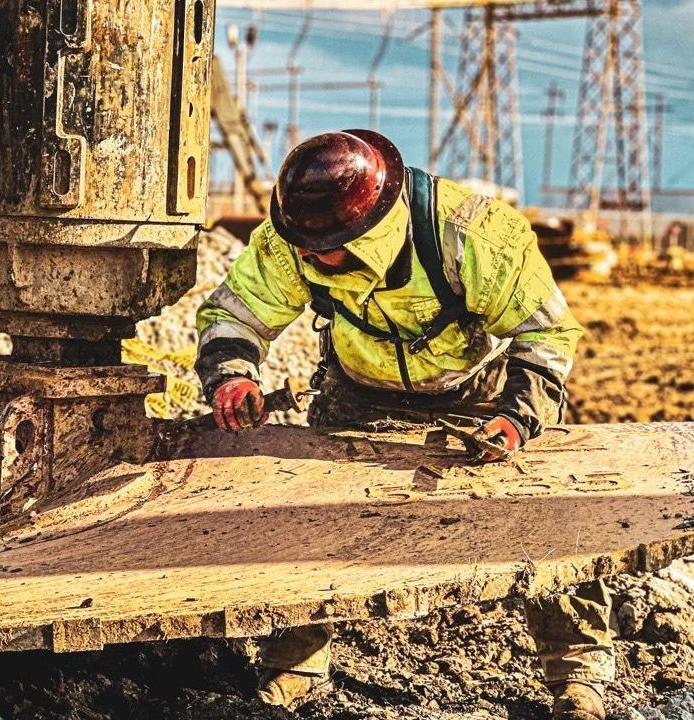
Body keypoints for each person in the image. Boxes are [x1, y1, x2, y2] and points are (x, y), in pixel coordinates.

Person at [195, 129, 613, 720]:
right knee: (311, 512)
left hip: (480, 394)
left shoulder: (473, 237)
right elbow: (235, 313)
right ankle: (294, 662)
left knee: (541, 515)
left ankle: (578, 673)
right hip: (359, 389)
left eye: (325, 251)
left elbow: (547, 334)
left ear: (371, 229)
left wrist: (518, 419)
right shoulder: (298, 238)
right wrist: (232, 374)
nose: (310, 260)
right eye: (304, 248)